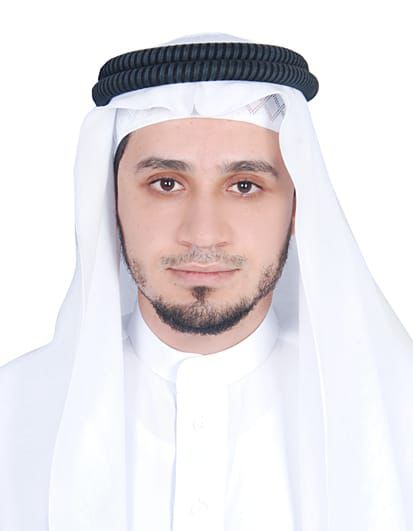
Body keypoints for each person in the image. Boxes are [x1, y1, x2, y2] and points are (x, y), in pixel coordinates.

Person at [0, 32, 412, 531]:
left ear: (298, 206)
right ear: (111, 201)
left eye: (245, 186)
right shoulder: (13, 412)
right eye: (166, 184)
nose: (202, 233)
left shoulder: (397, 413)